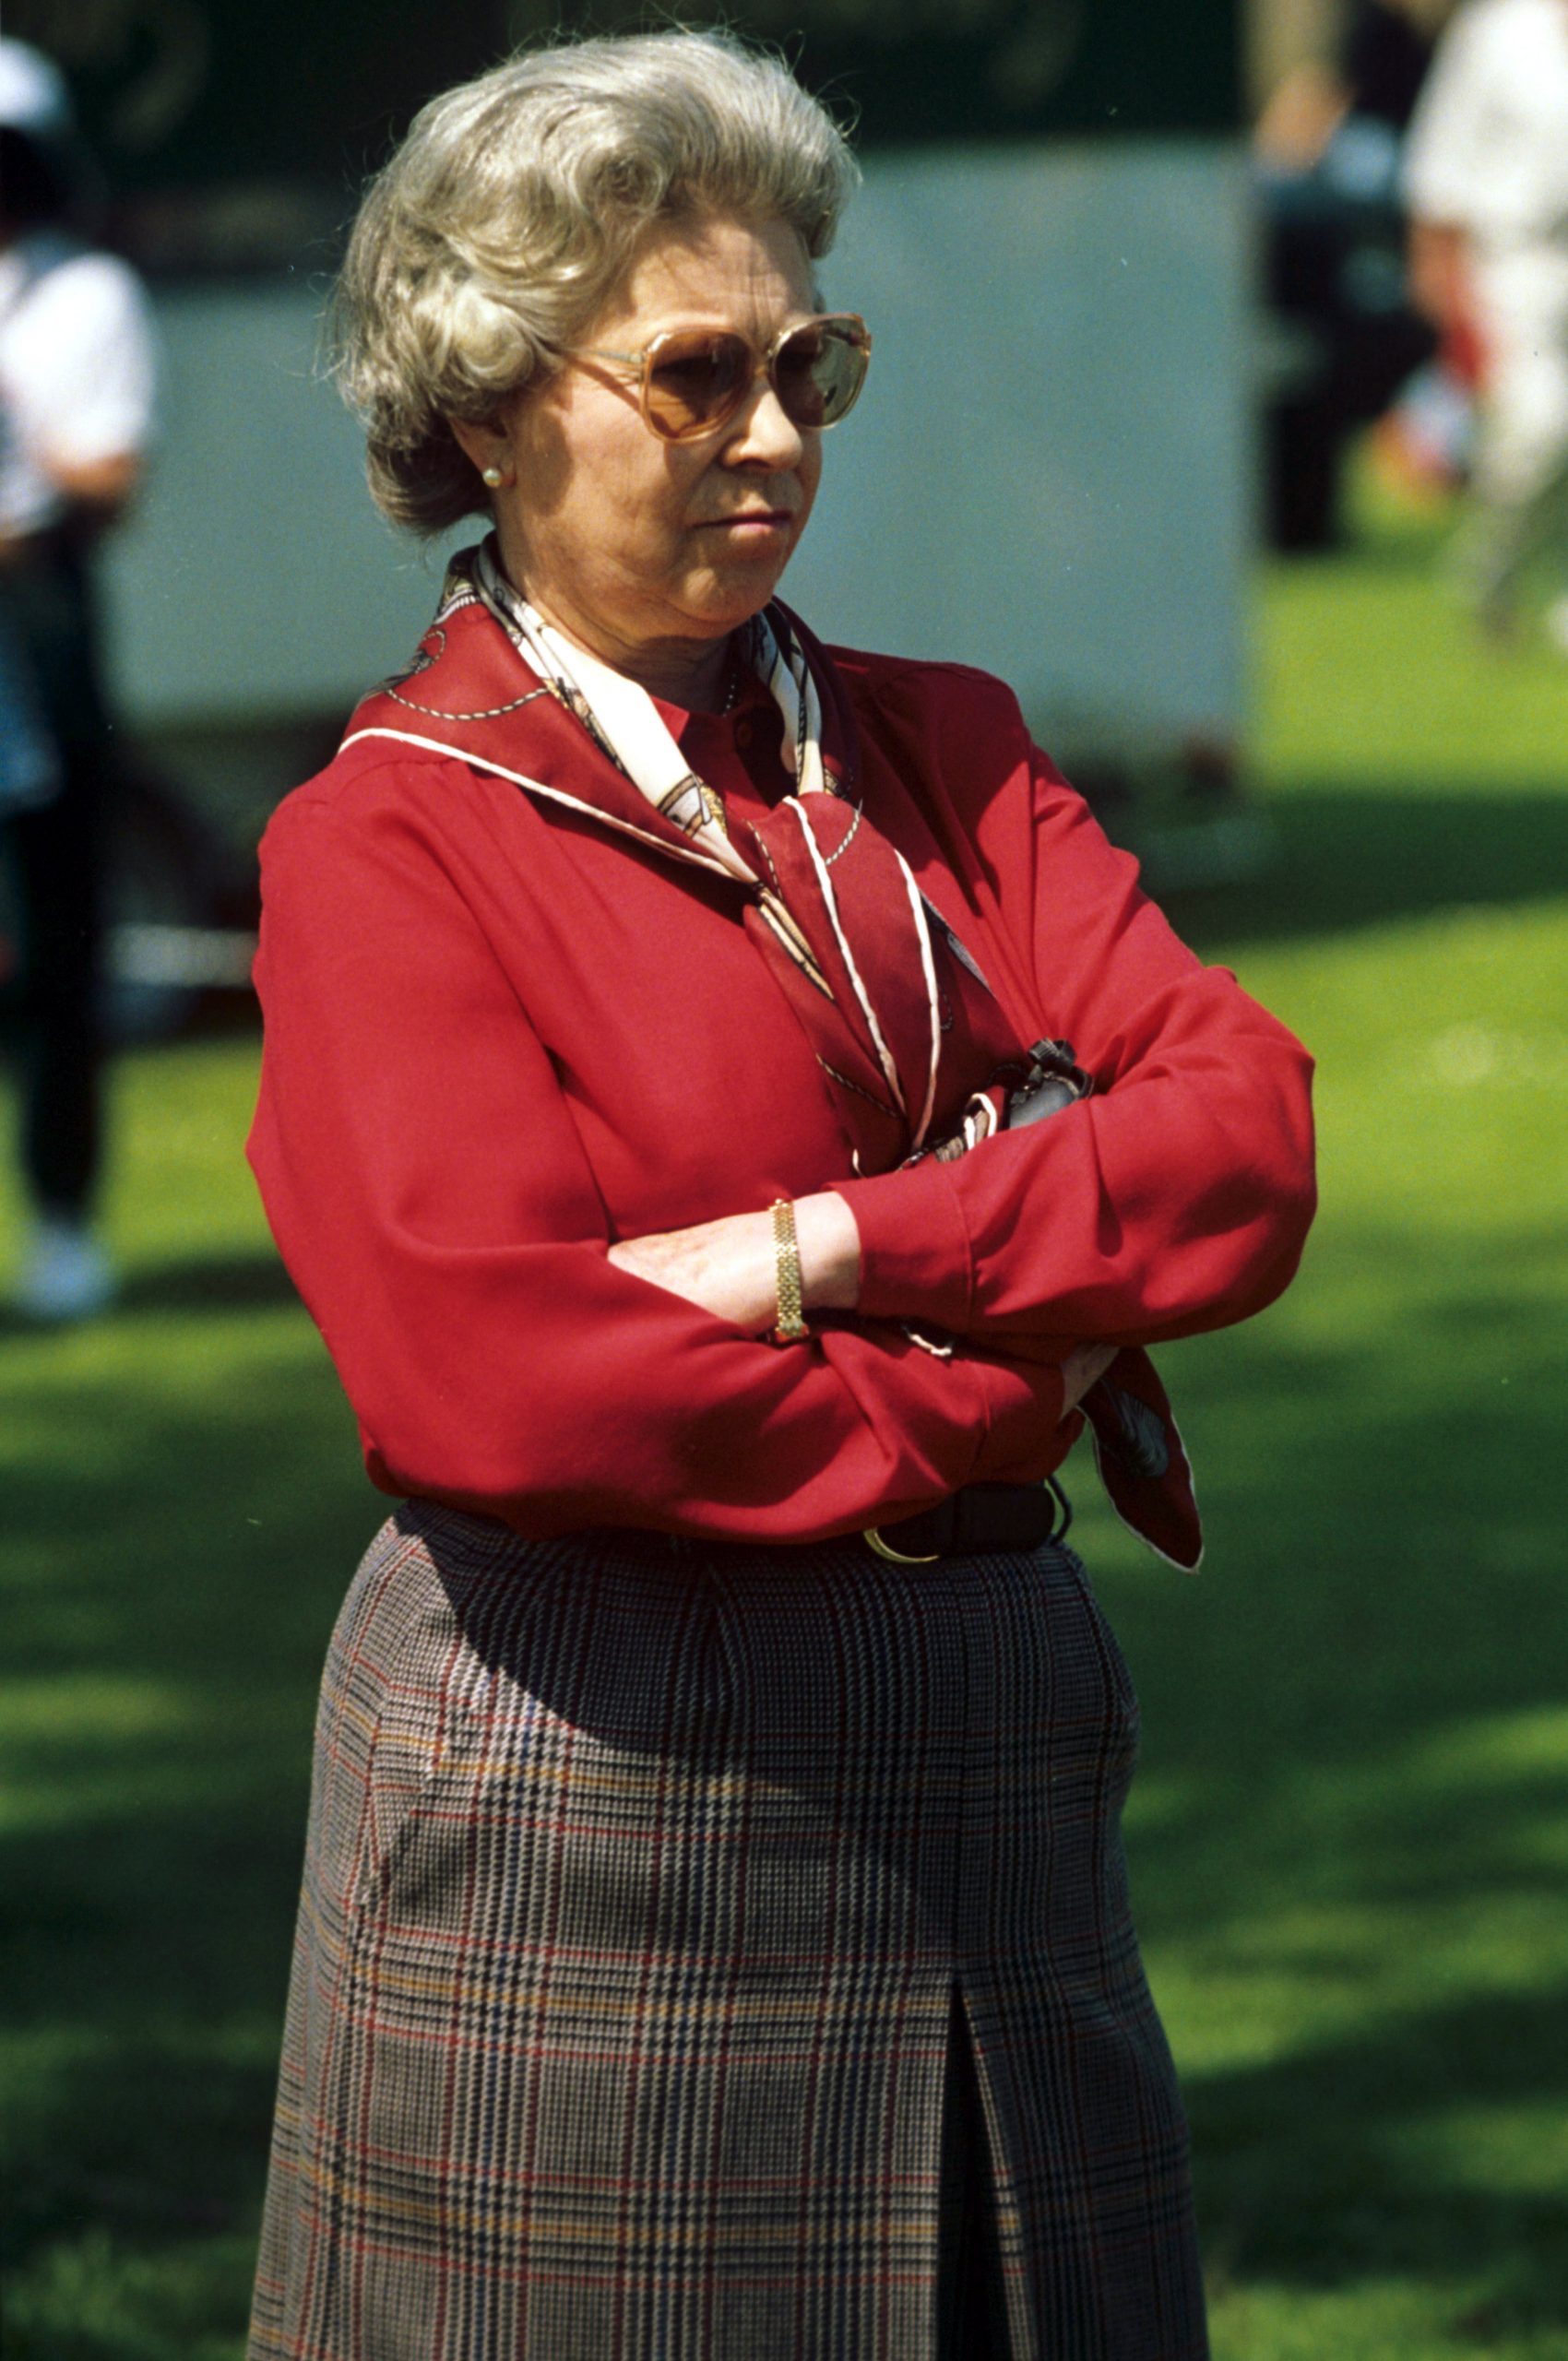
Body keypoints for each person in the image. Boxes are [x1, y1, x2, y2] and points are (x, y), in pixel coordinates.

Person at [244, 31, 1316, 2360]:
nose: (773, 431)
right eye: (697, 372)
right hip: (598, 1786)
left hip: (989, 1759)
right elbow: (506, 1381)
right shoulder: (389, 838)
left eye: (808, 360)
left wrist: (838, 1249)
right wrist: (1009, 1376)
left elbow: (1240, 1140)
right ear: (493, 400)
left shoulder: (942, 744)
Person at [0, 37, 159, 1319]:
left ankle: (63, 1216)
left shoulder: (81, 296)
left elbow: (104, 479)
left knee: (59, 938)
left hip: (33, 625)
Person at [1405, 0, 1568, 645]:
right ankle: (1491, 576)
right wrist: (1434, 262)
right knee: (1543, 425)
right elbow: (1441, 156)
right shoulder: (1496, 31)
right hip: (1516, 256)